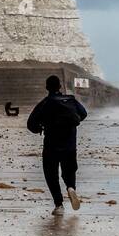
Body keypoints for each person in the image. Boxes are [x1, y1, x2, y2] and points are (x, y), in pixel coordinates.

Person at [26, 75, 88, 215]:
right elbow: (83, 113)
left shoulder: (45, 103)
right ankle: (71, 188)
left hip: (51, 145)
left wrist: (40, 128)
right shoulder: (71, 100)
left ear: (47, 87)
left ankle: (59, 205)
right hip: (70, 144)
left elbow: (31, 124)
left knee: (51, 174)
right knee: (69, 170)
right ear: (60, 87)